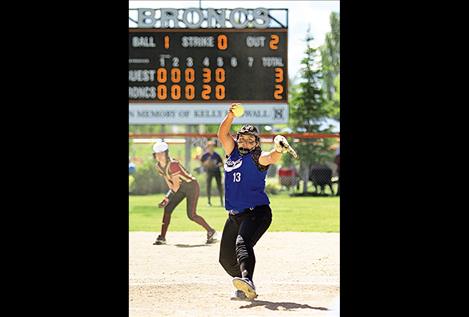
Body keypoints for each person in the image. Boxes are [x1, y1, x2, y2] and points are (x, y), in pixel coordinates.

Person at [217, 104, 292, 300]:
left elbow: (271, 158)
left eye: (251, 140)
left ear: (256, 144)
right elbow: (223, 134)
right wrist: (230, 115)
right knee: (225, 259)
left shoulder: (257, 157)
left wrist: (278, 149)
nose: (246, 141)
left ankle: (247, 280)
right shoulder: (232, 153)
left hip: (256, 213)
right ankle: (243, 285)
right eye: (243, 138)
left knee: (242, 243)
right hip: (234, 216)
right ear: (238, 140)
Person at [151, 140, 217, 245]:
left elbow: (176, 186)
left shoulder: (173, 164)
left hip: (191, 186)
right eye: (157, 153)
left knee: (191, 215)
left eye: (162, 153)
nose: (159, 156)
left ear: (166, 153)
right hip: (180, 187)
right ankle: (162, 237)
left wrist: (167, 197)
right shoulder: (158, 166)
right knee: (167, 208)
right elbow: (170, 184)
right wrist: (167, 198)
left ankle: (211, 231)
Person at [200, 141, 224, 207]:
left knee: (219, 186)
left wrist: (217, 164)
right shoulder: (205, 155)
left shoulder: (216, 155)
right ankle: (209, 202)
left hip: (216, 171)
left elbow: (221, 163)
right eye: (210, 146)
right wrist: (207, 163)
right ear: (207, 147)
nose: (211, 147)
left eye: (213, 146)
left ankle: (222, 201)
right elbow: (202, 163)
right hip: (209, 171)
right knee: (208, 186)